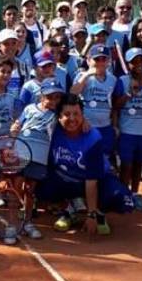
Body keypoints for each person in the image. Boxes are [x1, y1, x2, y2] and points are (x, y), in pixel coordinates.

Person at [36, 94, 111, 236]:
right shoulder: (53, 129)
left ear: (83, 115)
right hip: (69, 176)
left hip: (96, 179)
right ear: (58, 117)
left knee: (116, 195)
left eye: (76, 114)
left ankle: (99, 212)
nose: (72, 118)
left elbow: (92, 180)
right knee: (41, 185)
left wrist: (91, 215)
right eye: (67, 114)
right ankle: (70, 210)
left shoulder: (93, 137)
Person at [10, 78, 63, 242]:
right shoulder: (29, 109)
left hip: (40, 157)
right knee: (16, 185)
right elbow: (17, 124)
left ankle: (27, 223)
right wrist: (14, 129)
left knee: (30, 191)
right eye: (50, 97)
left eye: (57, 97)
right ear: (41, 96)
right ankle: (13, 225)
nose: (53, 101)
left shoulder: (57, 116)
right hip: (21, 153)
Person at [115, 48, 142, 211]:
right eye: (134, 61)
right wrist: (130, 93)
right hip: (127, 131)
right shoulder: (122, 81)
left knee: (138, 164)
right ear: (128, 64)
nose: (138, 64)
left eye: (141, 60)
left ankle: (135, 193)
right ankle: (125, 195)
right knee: (126, 165)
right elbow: (116, 105)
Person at [70, 43, 120, 157]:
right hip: (86, 125)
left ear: (108, 61)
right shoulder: (82, 76)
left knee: (104, 159)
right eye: (97, 59)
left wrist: (115, 125)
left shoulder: (112, 79)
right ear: (88, 60)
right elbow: (72, 95)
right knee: (85, 158)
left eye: (104, 59)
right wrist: (87, 75)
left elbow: (114, 104)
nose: (100, 62)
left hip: (105, 126)